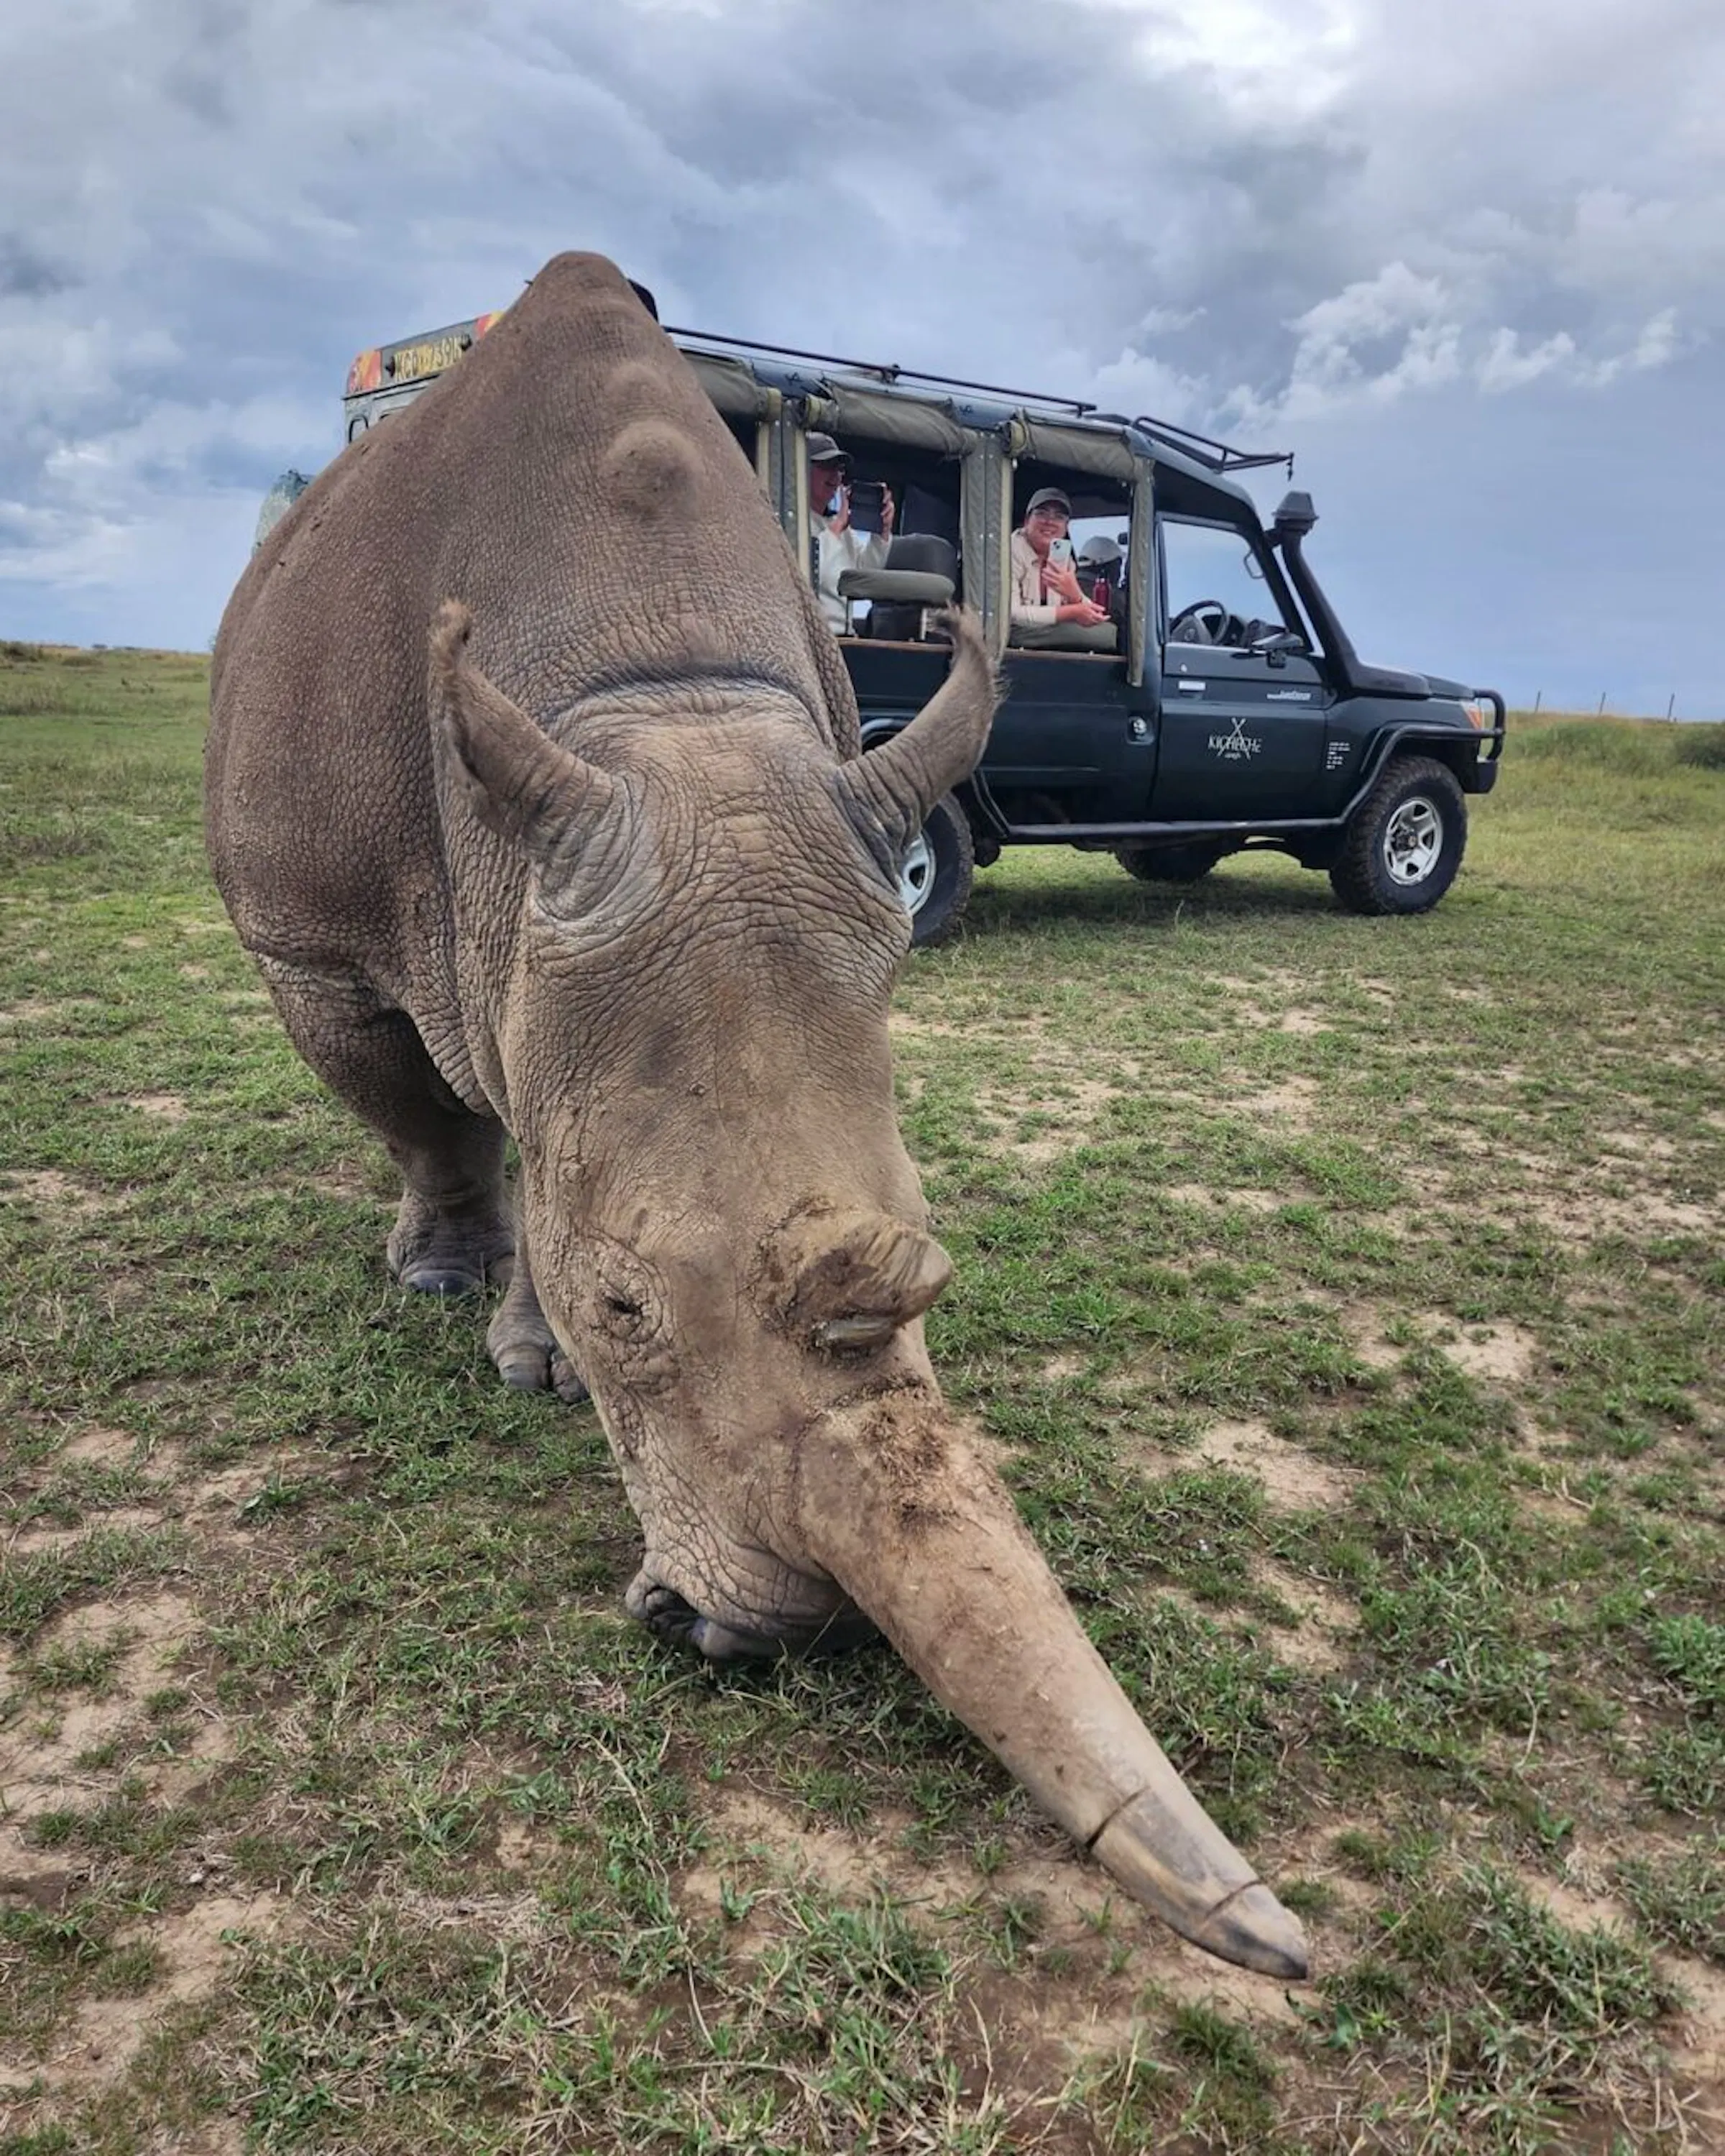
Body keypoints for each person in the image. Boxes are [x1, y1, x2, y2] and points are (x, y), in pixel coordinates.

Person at [807, 434, 895, 632]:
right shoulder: (791, 522)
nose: (835, 476)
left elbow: (867, 576)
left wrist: (882, 533)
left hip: (846, 637)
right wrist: (837, 527)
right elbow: (807, 580)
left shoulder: (844, 532)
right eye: (826, 467)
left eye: (839, 470)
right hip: (812, 637)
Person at [1011, 487, 1112, 643]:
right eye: (1041, 513)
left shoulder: (1064, 559)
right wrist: (1071, 612)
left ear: (1066, 528)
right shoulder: (1011, 550)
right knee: (1105, 637)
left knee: (1109, 631)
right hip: (1013, 631)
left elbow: (1094, 615)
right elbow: (1013, 614)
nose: (1049, 522)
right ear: (1026, 521)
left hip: (1045, 630)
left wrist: (1075, 595)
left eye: (1059, 517)